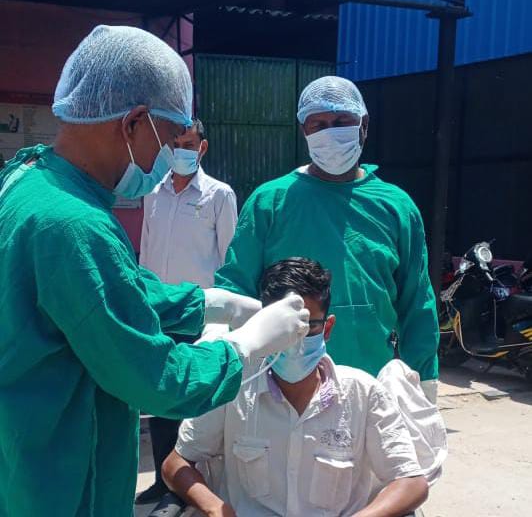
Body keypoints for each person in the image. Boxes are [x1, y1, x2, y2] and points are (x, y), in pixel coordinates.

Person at [0, 25, 310, 517]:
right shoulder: (74, 225)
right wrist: (244, 346)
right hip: (61, 478)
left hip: (22, 451)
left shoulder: (30, 180)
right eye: (168, 140)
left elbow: (108, 289)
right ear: (133, 123)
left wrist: (206, 303)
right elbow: (153, 379)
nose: (166, 160)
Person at [215, 76, 440, 403]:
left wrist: (424, 382)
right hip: (283, 388)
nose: (330, 132)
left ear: (364, 126)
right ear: (304, 131)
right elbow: (236, 288)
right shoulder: (270, 202)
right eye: (318, 124)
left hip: (371, 387)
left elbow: (417, 303)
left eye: (341, 122)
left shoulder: (396, 207)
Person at [163, 258, 429, 516]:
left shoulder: (364, 393)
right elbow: (176, 463)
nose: (296, 338)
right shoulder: (234, 388)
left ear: (327, 328)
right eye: (286, 327)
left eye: (309, 326)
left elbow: (411, 482)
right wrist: (214, 508)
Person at [137, 119, 238, 504]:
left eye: (189, 144)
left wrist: (226, 317)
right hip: (160, 314)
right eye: (175, 144)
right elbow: (146, 254)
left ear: (202, 148)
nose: (181, 151)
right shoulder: (153, 193)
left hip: (201, 315)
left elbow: (229, 260)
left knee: (195, 404)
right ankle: (163, 482)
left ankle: (189, 489)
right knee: (161, 401)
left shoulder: (219, 195)